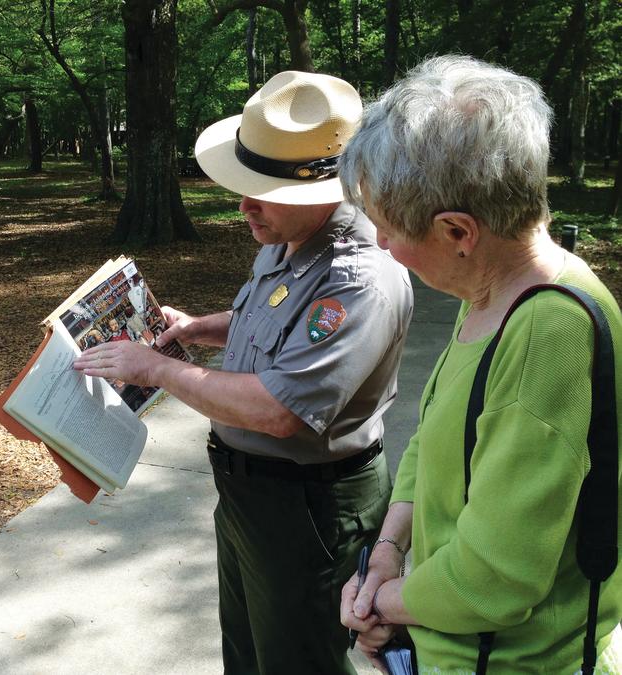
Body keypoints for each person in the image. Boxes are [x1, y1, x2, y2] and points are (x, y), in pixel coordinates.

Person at [74, 70, 414, 674]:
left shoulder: (358, 276)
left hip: (310, 506)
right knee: (251, 656)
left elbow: (279, 410)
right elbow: (273, 320)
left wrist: (154, 368)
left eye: (268, 192)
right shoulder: (288, 235)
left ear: (329, 189)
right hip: (250, 496)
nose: (245, 206)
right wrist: (200, 327)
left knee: (297, 661)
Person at [337, 55, 622, 673]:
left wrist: (382, 603)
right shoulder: (491, 293)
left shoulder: (549, 330)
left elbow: (494, 577)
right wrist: (388, 549)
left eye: (386, 228)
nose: (381, 244)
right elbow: (436, 437)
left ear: (459, 232)